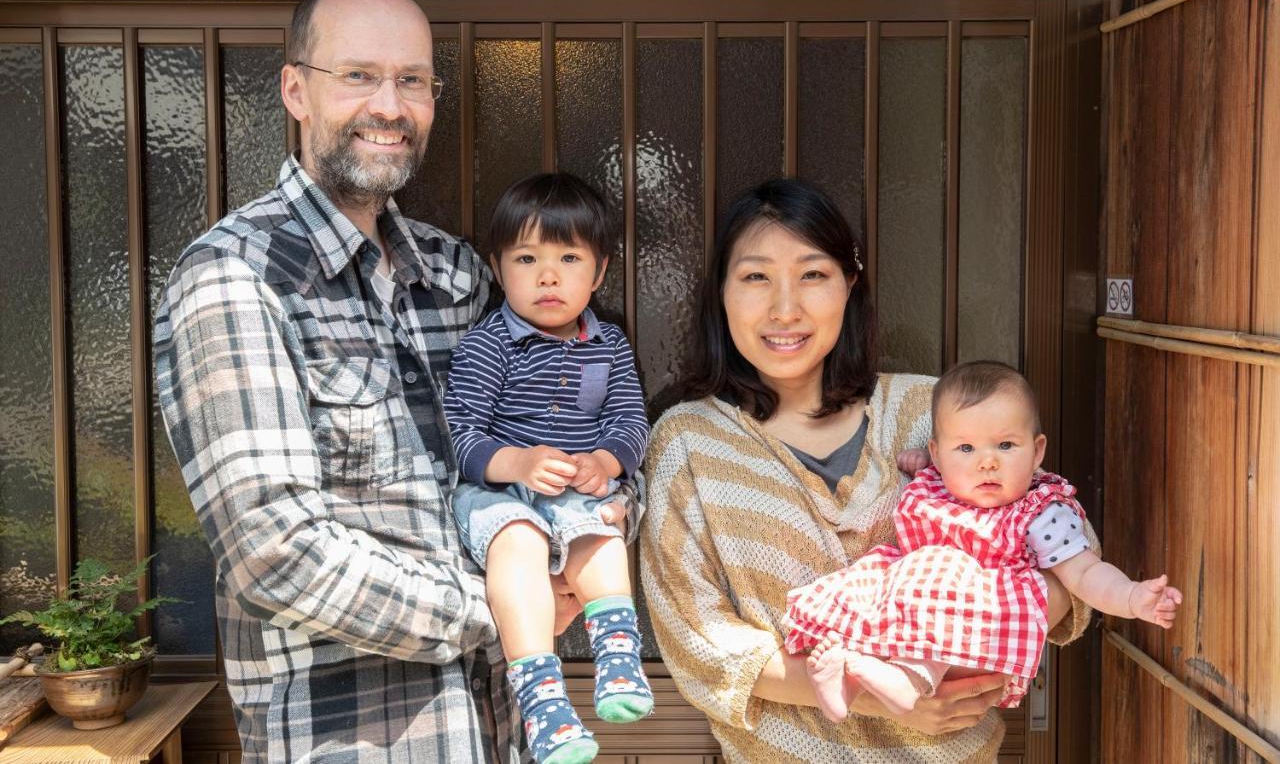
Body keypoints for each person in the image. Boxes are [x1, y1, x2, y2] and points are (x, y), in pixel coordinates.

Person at [153, 0, 628, 762]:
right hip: (350, 738)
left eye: (413, 80)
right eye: (359, 75)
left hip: (506, 728)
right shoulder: (236, 279)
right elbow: (276, 549)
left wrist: (607, 505)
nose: (390, 104)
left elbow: (561, 420)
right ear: (296, 90)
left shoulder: (457, 274)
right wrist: (497, 607)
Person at [639, 179, 1095, 762]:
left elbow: (1063, 538)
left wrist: (967, 653)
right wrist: (880, 696)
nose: (785, 308)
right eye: (755, 277)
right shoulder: (688, 443)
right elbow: (697, 638)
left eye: (813, 274)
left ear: (849, 286)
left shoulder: (927, 412)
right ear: (721, 292)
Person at [787, 361, 1182, 722]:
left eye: (1006, 446)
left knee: (945, 594)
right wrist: (919, 461)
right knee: (859, 589)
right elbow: (930, 460)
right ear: (938, 455)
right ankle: (849, 672)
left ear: (1037, 451)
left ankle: (906, 681)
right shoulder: (939, 476)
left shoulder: (1040, 513)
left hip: (980, 622)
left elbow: (1084, 572)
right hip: (909, 603)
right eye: (966, 448)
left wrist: (1131, 597)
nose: (986, 461)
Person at [443, 172, 654, 764]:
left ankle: (616, 658)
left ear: (601, 270)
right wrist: (519, 461)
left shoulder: (609, 345)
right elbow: (460, 437)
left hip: (574, 492)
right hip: (499, 495)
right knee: (517, 543)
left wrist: (604, 462)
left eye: (568, 258)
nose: (548, 276)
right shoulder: (490, 344)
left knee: (599, 534)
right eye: (527, 258)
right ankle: (541, 695)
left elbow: (631, 424)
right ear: (498, 267)